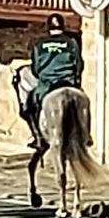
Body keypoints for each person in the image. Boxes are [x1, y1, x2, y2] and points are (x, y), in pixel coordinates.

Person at [24, 13, 91, 149]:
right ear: (63, 26)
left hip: (47, 84)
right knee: (84, 103)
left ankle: (38, 137)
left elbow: (36, 69)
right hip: (68, 82)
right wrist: (74, 77)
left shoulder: (40, 45)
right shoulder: (71, 43)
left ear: (48, 27)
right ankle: (86, 134)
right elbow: (79, 64)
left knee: (29, 104)